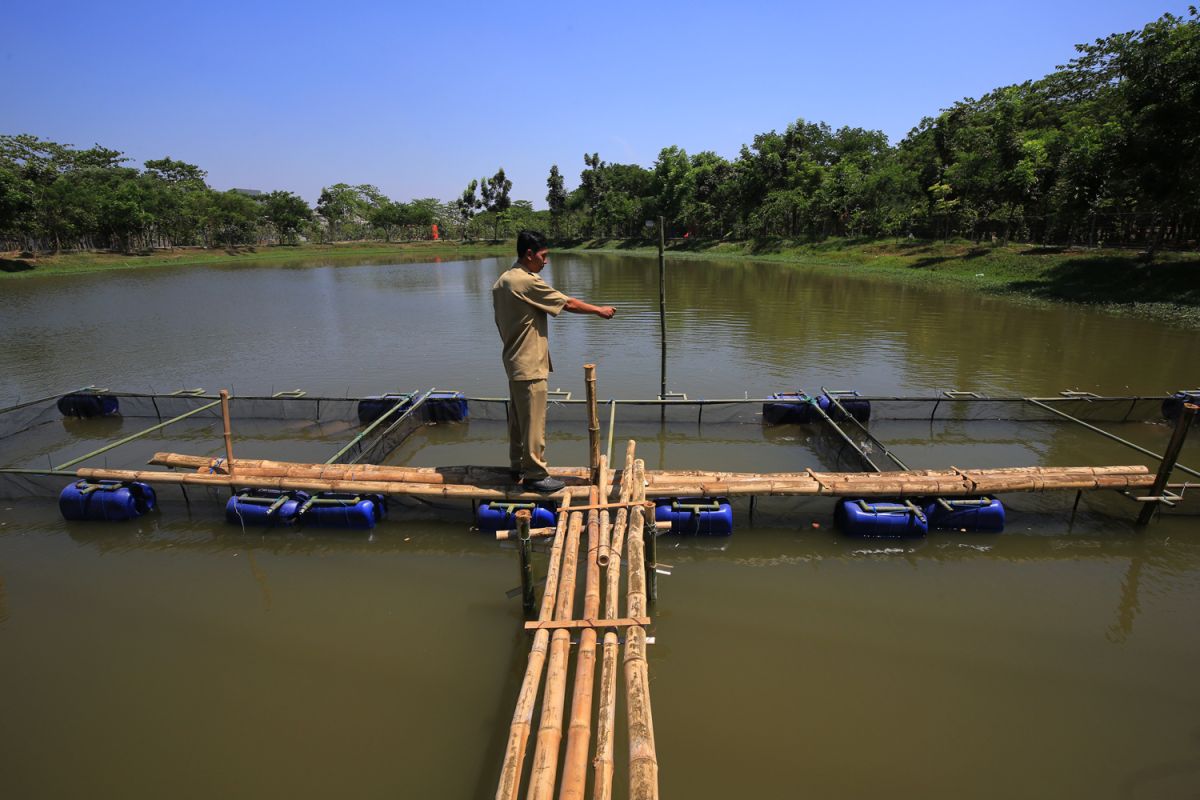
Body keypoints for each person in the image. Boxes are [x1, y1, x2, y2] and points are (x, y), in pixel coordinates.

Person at [493, 230, 616, 492]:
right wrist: (599, 311)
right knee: (534, 422)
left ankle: (518, 466)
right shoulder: (526, 282)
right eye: (543, 256)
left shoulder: (503, 280)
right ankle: (536, 474)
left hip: (513, 360)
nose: (545, 262)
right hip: (529, 363)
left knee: (518, 420)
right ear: (529, 254)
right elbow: (567, 303)